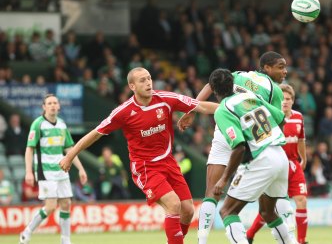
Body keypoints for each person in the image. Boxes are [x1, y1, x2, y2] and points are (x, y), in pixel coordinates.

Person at [59, 67, 218, 244]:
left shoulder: (165, 99)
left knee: (188, 210)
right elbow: (95, 133)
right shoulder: (124, 112)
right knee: (174, 204)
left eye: (149, 78)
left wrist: (230, 109)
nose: (148, 82)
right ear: (132, 86)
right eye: (142, 80)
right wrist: (70, 156)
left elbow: (202, 106)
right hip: (145, 168)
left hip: (169, 162)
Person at [178, 51, 289, 244]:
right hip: (254, 140)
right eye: (281, 67)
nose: (285, 72)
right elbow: (278, 119)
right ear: (266, 68)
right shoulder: (274, 90)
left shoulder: (239, 75)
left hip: (225, 130)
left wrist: (191, 110)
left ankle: (201, 242)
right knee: (266, 209)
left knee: (211, 195)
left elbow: (211, 84)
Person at [209, 68, 294, 244]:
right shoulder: (251, 97)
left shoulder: (223, 110)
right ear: (233, 83)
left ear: (214, 90)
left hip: (261, 159)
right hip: (280, 154)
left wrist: (223, 179)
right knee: (268, 213)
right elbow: (281, 118)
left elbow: (239, 147)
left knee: (227, 211)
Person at [19, 94, 88, 244]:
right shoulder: (38, 124)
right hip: (45, 171)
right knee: (50, 206)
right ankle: (27, 232)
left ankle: (65, 240)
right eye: (49, 103)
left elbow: (69, 148)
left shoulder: (62, 125)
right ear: (44, 107)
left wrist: (81, 169)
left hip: (61, 169)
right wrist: (28, 171)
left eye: (55, 103)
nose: (52, 105)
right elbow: (29, 149)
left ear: (59, 106)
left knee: (66, 204)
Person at [247, 84, 308, 244]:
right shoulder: (270, 117)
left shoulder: (298, 117)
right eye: (283, 99)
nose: (285, 102)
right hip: (276, 165)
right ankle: (250, 234)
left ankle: (301, 240)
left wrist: (304, 158)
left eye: (288, 99)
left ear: (293, 101)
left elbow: (301, 140)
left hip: (294, 165)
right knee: (270, 206)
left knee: (301, 200)